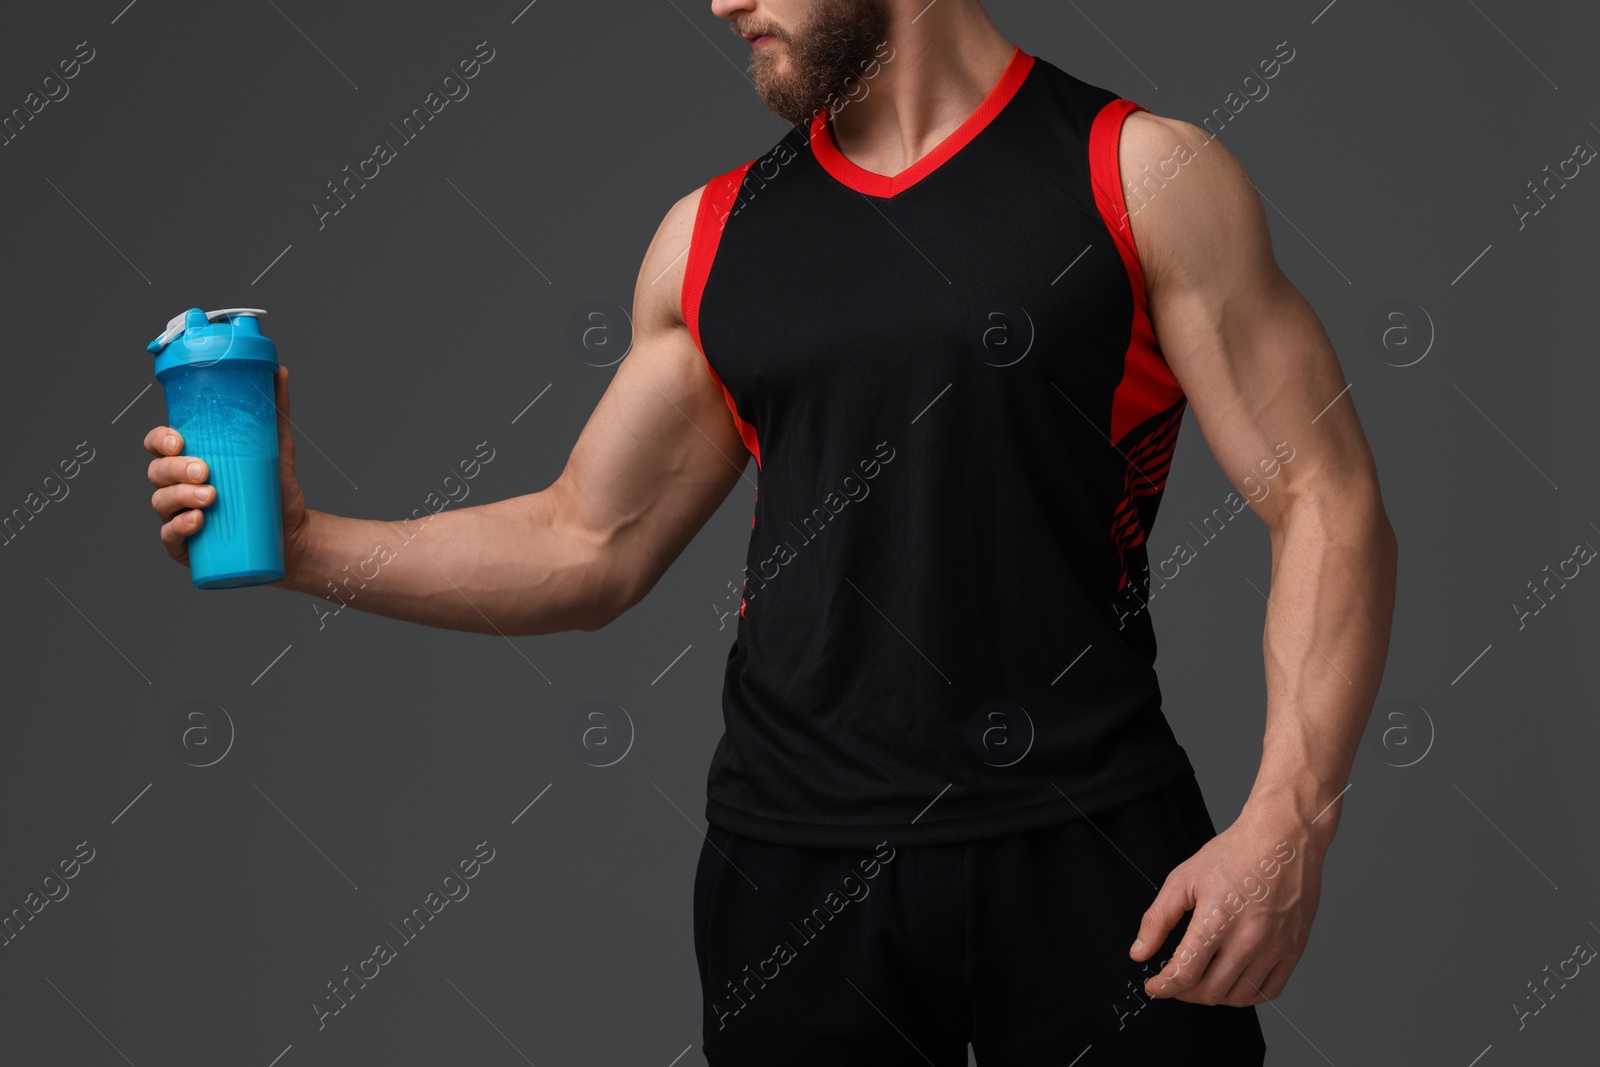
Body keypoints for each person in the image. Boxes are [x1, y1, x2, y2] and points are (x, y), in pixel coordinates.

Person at [144, 0, 1398, 1062]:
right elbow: (587, 544)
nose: (722, 1)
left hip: (1095, 857)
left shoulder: (1139, 174)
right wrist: (306, 544)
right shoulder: (712, 236)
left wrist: (1290, 820)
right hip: (794, 872)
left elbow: (1325, 496)